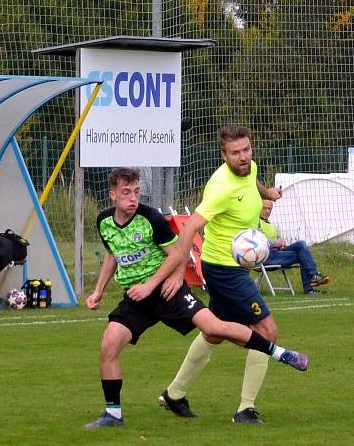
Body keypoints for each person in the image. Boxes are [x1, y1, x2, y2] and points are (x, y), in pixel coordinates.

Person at [84, 168, 307, 429]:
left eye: (136, 192)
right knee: (109, 343)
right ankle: (113, 414)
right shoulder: (104, 221)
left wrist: (152, 284)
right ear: (112, 195)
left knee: (213, 327)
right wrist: (99, 290)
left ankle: (280, 353)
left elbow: (177, 254)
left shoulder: (151, 218)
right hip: (137, 297)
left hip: (167, 290)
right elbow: (113, 254)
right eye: (126, 193)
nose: (133, 198)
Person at [161, 125, 294, 425]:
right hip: (223, 269)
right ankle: (245, 409)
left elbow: (254, 182)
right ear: (223, 156)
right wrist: (179, 271)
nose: (243, 157)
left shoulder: (249, 167)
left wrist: (268, 193)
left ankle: (175, 393)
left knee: (214, 332)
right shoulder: (220, 188)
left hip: (228, 266)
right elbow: (189, 227)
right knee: (266, 332)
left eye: (246, 150)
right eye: (235, 153)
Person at [259, 200, 330, 295]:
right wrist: (275, 243)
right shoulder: (256, 222)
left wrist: (282, 243)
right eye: (264, 208)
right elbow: (258, 242)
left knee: (301, 244)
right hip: (267, 256)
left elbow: (278, 242)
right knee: (302, 255)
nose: (267, 211)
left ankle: (314, 277)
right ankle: (311, 282)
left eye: (269, 209)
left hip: (278, 252)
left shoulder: (271, 225)